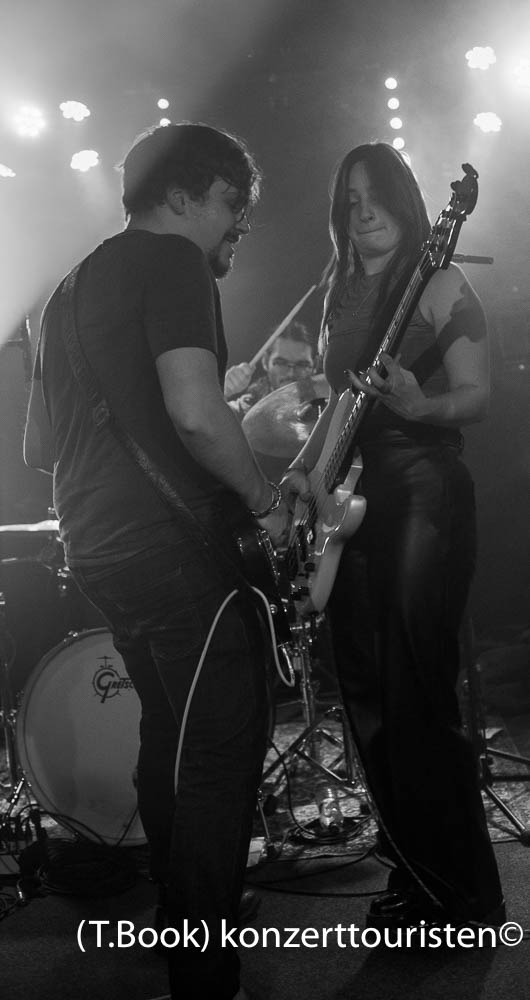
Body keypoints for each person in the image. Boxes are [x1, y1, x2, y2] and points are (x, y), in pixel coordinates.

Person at [23, 122, 289, 1000]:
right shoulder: (174, 261)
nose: (238, 223)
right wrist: (263, 500)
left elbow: (38, 447)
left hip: (95, 545)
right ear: (182, 195)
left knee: (170, 733)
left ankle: (185, 922)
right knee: (220, 752)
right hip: (173, 547)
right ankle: (205, 975)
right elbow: (196, 414)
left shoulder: (66, 288)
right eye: (230, 203)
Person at [282, 141, 505, 927]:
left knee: (416, 686)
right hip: (352, 497)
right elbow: (340, 405)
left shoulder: (440, 282)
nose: (362, 210)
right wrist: (302, 470)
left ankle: (465, 893)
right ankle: (415, 872)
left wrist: (419, 405)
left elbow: (476, 396)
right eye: (349, 199)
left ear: (408, 202)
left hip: (422, 490)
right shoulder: (339, 293)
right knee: (366, 692)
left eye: (375, 194)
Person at [224, 319, 315, 419]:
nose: (291, 373)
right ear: (265, 362)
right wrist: (223, 391)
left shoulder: (324, 405)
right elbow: (211, 421)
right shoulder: (248, 406)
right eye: (281, 363)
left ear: (315, 365)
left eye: (302, 365)